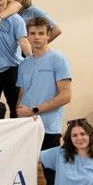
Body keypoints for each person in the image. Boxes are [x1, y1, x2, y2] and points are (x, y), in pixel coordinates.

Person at [16, 17, 73, 150]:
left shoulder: (59, 59)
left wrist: (33, 110)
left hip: (48, 128)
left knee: (48, 164)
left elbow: (65, 96)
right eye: (32, 33)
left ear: (48, 35)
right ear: (27, 36)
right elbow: (22, 94)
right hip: (26, 126)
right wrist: (19, 115)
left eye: (41, 33)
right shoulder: (24, 63)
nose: (36, 37)